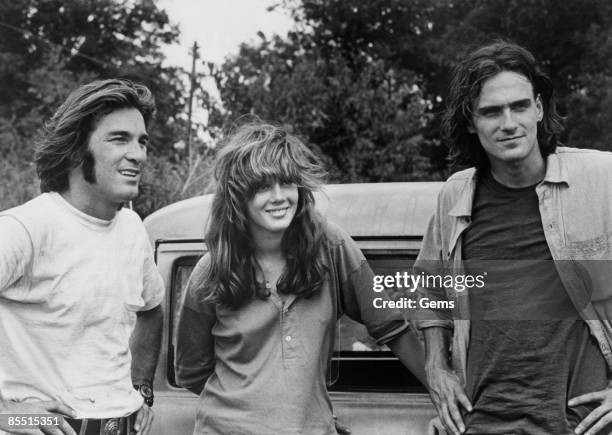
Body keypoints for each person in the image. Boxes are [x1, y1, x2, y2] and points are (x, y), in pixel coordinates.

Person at [174, 122, 427, 434]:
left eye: (287, 182)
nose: (279, 197)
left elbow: (390, 324)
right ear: (238, 194)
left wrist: (444, 391)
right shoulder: (211, 271)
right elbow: (191, 370)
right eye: (263, 187)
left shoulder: (331, 247)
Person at [415, 41, 612, 435]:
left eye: (520, 106)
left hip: (580, 424)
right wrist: (436, 368)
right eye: (491, 112)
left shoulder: (601, 179)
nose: (509, 123)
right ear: (471, 122)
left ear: (538, 108)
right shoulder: (455, 195)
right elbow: (427, 289)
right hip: (481, 421)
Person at [0, 79, 164, 435]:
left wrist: (142, 389)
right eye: (119, 138)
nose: (138, 154)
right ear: (76, 149)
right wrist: (8, 414)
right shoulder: (24, 228)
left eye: (142, 141)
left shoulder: (132, 228)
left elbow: (152, 310)